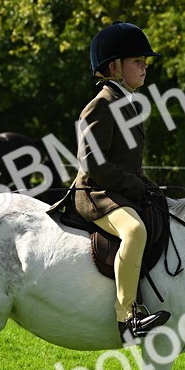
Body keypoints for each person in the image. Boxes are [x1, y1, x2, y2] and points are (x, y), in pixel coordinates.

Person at [72, 21, 171, 343]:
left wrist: (148, 185)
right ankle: (127, 317)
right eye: (137, 61)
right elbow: (94, 164)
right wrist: (135, 186)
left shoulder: (129, 104)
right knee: (135, 230)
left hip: (118, 189)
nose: (145, 67)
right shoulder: (100, 105)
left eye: (144, 62)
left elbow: (129, 163)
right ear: (114, 67)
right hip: (96, 192)